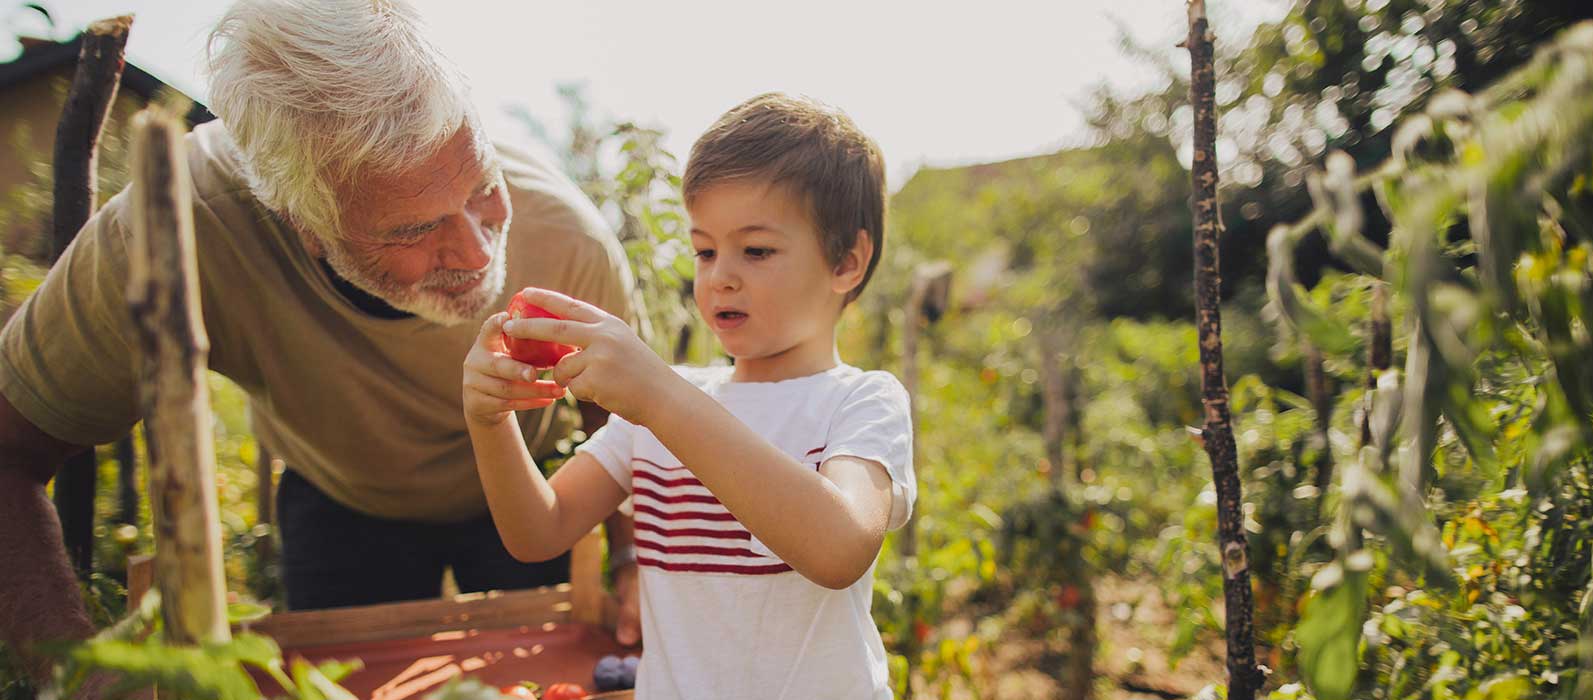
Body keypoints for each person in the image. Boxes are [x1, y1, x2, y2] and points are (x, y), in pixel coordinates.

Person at [0, 0, 641, 687]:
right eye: (413, 232)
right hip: (342, 499)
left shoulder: (568, 238)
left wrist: (636, 566)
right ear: (302, 224)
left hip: (527, 495)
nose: (477, 250)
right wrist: (80, 677)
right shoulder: (174, 231)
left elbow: (628, 423)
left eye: (484, 189)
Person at [462, 92, 915, 698]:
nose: (720, 274)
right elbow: (538, 532)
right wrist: (491, 422)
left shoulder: (860, 401)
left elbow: (839, 549)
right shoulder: (658, 408)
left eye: (756, 250)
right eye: (705, 250)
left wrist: (660, 397)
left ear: (847, 262)